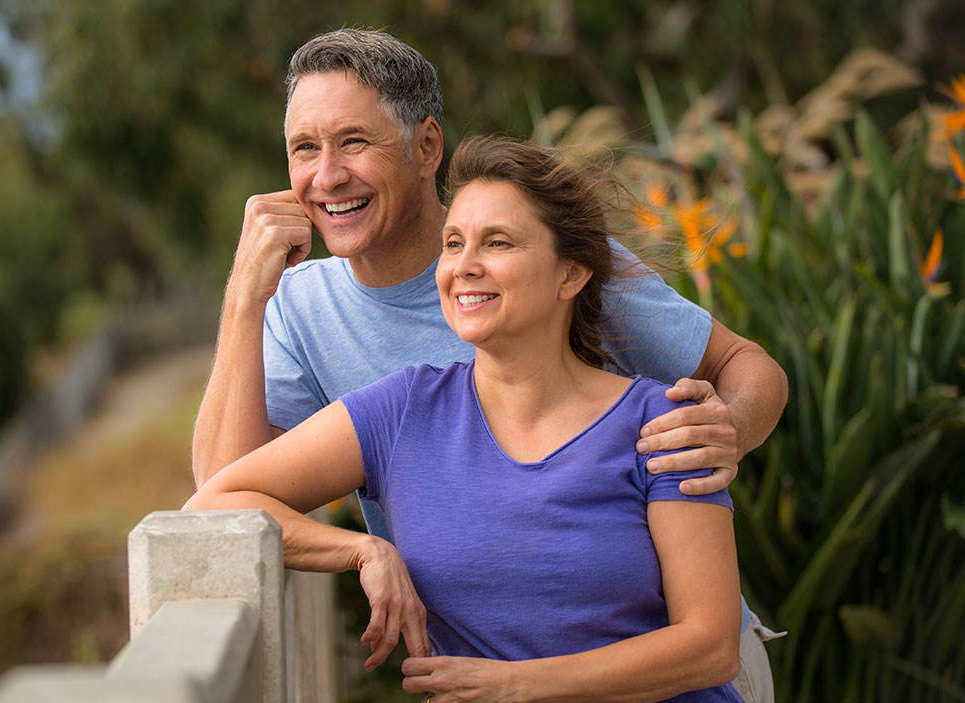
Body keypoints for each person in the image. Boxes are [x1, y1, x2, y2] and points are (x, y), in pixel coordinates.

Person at [190, 29, 786, 698]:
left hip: (662, 664)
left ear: (426, 147)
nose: (327, 176)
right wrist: (244, 296)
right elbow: (223, 500)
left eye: (353, 142)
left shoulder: (560, 263)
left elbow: (745, 364)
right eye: (305, 148)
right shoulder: (325, 331)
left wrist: (723, 432)